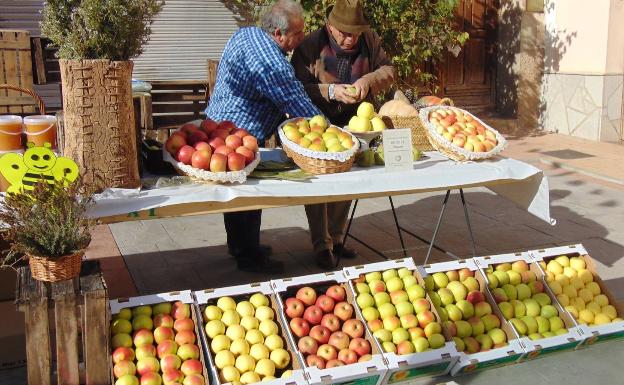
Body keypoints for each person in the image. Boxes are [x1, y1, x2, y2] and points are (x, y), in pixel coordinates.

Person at [206, 0, 321, 273]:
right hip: (237, 136)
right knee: (248, 195)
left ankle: (239, 245)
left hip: (217, 124)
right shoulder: (272, 62)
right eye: (298, 34)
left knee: (234, 193)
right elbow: (296, 103)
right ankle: (250, 256)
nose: (302, 39)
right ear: (279, 35)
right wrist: (327, 129)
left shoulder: (244, 34)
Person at [291, 0, 395, 270]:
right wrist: (329, 91)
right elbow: (295, 87)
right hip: (317, 125)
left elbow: (388, 70)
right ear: (330, 27)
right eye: (345, 33)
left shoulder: (369, 41)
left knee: (347, 182)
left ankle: (336, 239)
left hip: (354, 123)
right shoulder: (310, 46)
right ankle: (320, 245)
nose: (351, 39)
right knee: (318, 187)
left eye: (356, 33)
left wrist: (368, 81)